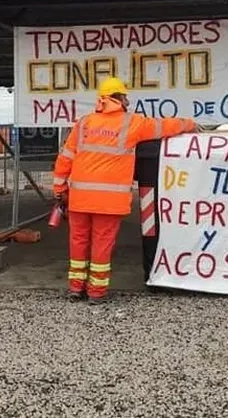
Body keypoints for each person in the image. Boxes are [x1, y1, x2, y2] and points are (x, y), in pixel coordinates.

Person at [52, 77, 197, 304]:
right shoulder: (132, 123)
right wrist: (190, 123)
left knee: (78, 241)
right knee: (102, 244)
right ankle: (96, 293)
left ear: (101, 99)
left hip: (79, 198)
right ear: (120, 99)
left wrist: (59, 188)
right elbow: (165, 126)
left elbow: (65, 158)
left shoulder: (84, 123)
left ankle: (75, 289)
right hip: (110, 202)